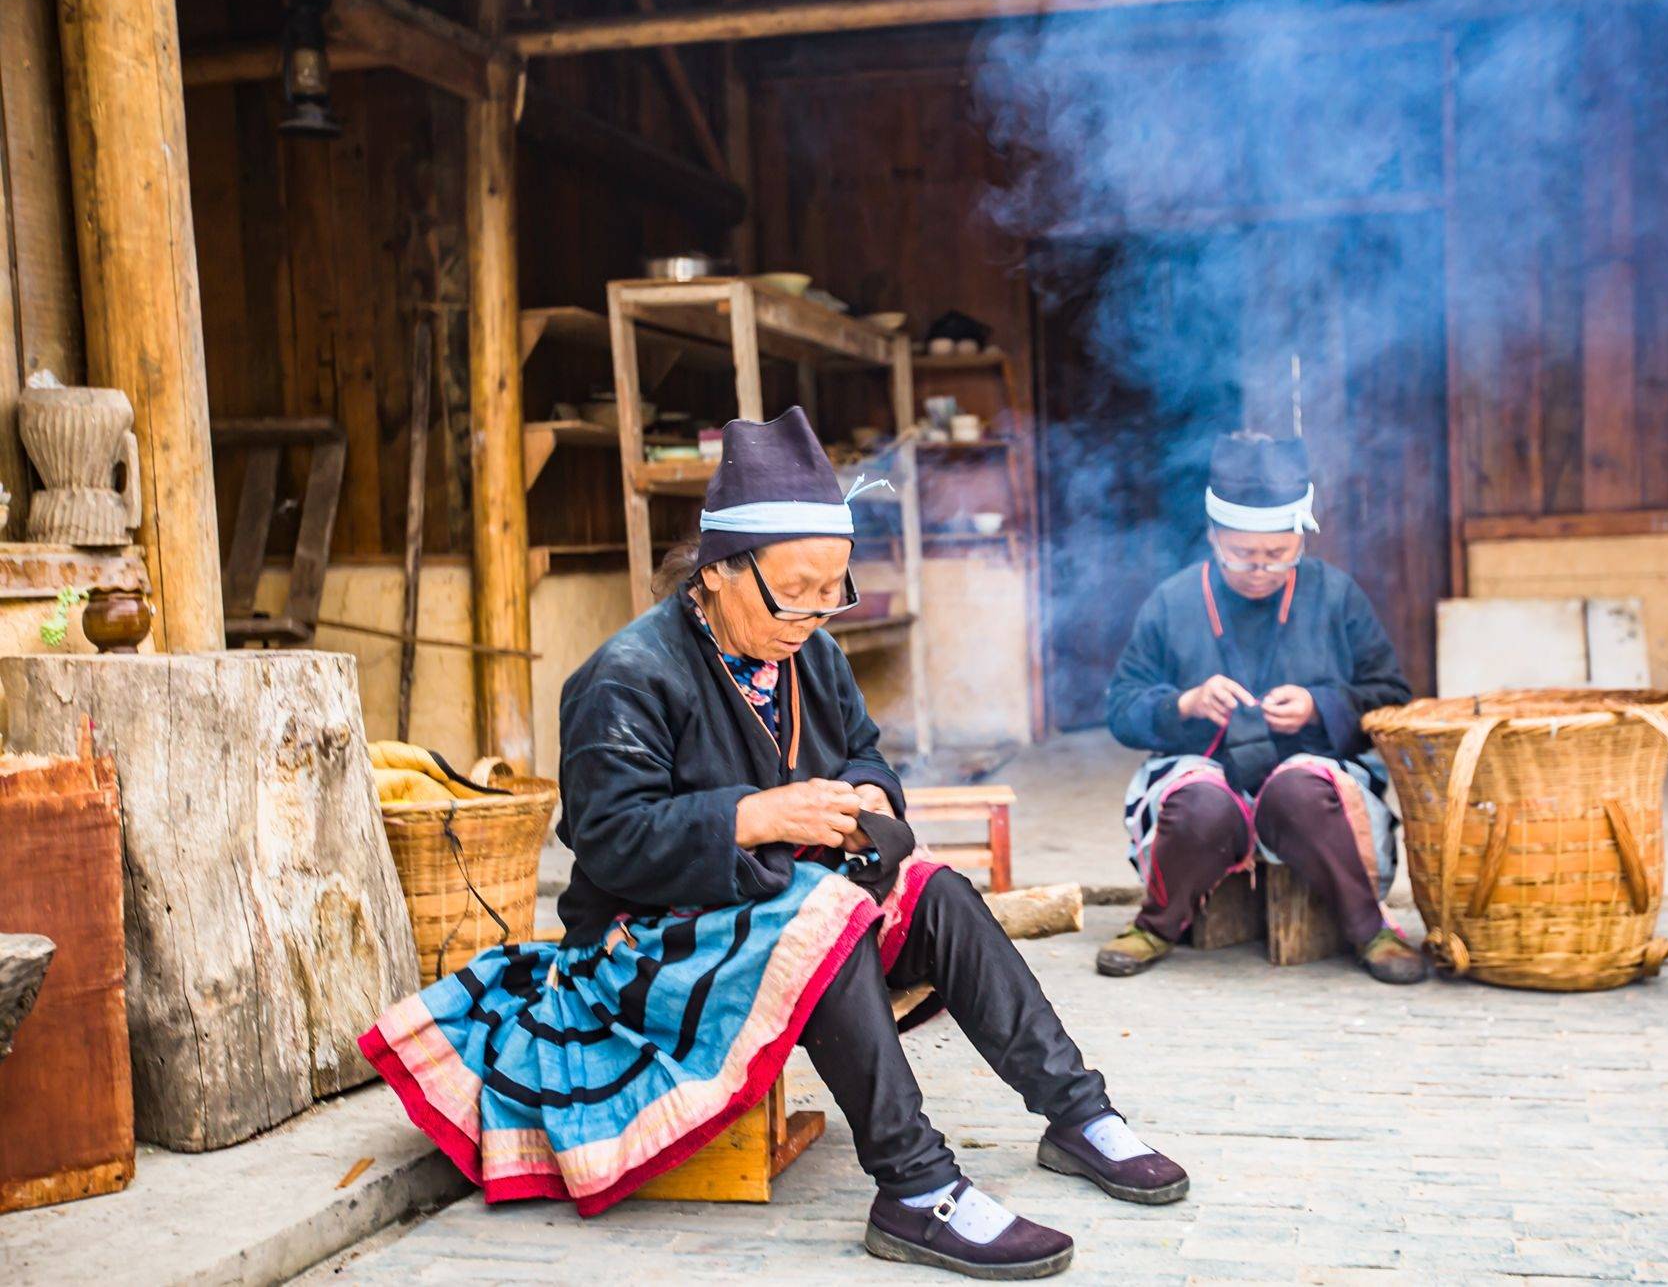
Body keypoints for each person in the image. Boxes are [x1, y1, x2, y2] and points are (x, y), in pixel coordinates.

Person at [360, 407, 1185, 1281]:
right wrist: (756, 816)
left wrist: (871, 793)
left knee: (935, 888)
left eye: (834, 589)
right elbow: (606, 843)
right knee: (823, 913)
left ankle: (1078, 1113)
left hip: (774, 909)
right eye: (796, 589)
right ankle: (914, 1185)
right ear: (717, 572)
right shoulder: (626, 677)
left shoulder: (812, 658)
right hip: (646, 942)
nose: (815, 614)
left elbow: (866, 754)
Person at [1099, 431, 1425, 985]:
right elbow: (1122, 707)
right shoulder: (1174, 599)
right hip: (1204, 774)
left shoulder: (1336, 594)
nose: (1260, 570)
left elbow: (1391, 695)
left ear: (1302, 538)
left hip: (1309, 777)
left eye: (1278, 556)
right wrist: (1186, 702)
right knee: (1199, 802)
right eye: (1242, 555)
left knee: (1301, 788)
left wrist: (1321, 706)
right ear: (1212, 537)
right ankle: (1157, 924)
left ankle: (1369, 928)